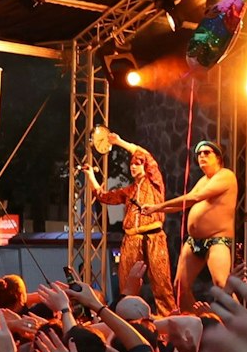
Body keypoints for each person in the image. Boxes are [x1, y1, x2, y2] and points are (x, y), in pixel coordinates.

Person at [83, 127, 175, 317]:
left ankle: (170, 319)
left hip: (153, 237)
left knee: (161, 282)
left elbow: (147, 156)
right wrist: (91, 176)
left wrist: (119, 142)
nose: (133, 166)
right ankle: (127, 319)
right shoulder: (129, 190)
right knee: (127, 283)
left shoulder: (155, 182)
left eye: (138, 163)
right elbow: (105, 197)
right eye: (132, 164)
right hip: (132, 240)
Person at [140, 140, 238, 310]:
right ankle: (199, 322)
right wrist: (155, 210)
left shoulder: (225, 175)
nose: (201, 157)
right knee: (180, 286)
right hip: (194, 242)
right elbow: (184, 204)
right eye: (199, 154)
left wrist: (158, 206)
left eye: (207, 153)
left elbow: (195, 198)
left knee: (222, 284)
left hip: (216, 240)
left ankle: (242, 324)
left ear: (218, 157)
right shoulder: (203, 180)